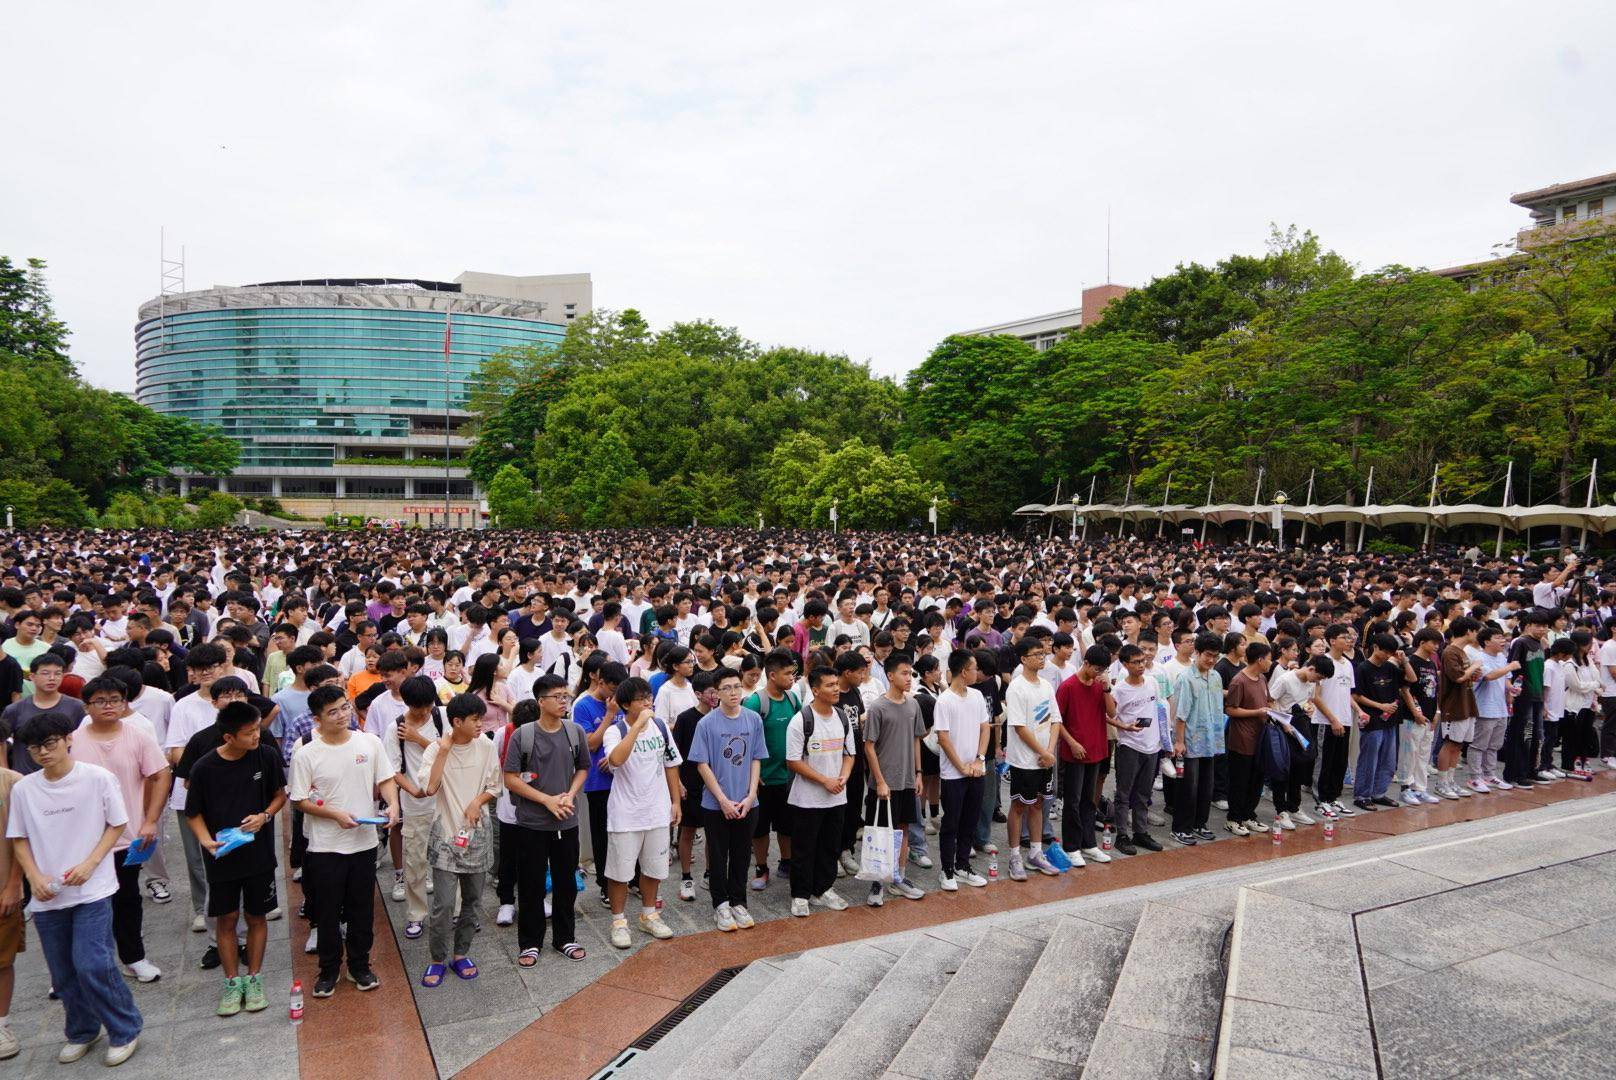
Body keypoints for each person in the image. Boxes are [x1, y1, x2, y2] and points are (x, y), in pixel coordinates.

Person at [6, 711, 143, 1067]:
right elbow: (18, 838)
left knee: (92, 962)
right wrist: (33, 877)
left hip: (92, 888)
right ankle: (82, 1030)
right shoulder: (24, 789)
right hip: (47, 893)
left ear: (68, 739)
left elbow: (117, 824)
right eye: (35, 746)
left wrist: (90, 863)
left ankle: (125, 1028)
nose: (43, 752)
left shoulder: (97, 778)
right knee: (63, 971)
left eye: (50, 743)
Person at [288, 684, 399, 998]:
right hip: (325, 846)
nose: (341, 715)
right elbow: (299, 800)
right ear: (317, 719)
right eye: (332, 712)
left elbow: (386, 779)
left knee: (362, 910)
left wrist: (393, 804)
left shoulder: (369, 742)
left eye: (344, 707)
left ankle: (360, 966)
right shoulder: (307, 752)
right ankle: (328, 970)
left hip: (363, 843)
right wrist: (335, 815)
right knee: (326, 911)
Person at [183, 701, 286, 1016]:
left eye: (257, 728)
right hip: (222, 857)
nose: (257, 735)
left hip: (258, 855)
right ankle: (231, 983)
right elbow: (193, 813)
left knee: (257, 917)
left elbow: (280, 795)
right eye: (249, 732)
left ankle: (254, 978)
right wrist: (205, 841)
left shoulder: (265, 755)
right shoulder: (204, 768)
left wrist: (265, 816)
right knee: (225, 919)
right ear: (228, 737)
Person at [68, 676, 172, 984]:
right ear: (87, 706)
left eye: (115, 699)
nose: (109, 705)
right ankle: (83, 965)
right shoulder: (73, 740)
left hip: (128, 836)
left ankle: (133, 958)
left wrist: (150, 820)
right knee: (87, 903)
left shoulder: (138, 736)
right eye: (100, 700)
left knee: (127, 897)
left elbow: (160, 776)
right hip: (84, 840)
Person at [416, 692, 503, 986]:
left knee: (473, 900)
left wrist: (478, 801)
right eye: (475, 719)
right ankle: (437, 959)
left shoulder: (486, 746)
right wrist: (442, 751)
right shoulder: (435, 750)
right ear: (456, 722)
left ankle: (461, 953)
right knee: (441, 904)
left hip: (476, 834)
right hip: (445, 835)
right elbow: (429, 788)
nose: (481, 724)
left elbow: (496, 785)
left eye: (482, 718)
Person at [502, 675, 589, 966]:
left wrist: (570, 795)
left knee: (566, 882)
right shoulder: (523, 735)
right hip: (531, 823)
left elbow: (582, 769)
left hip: (567, 819)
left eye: (567, 696)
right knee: (530, 884)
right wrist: (547, 800)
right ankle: (530, 942)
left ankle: (565, 937)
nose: (564, 701)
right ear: (542, 701)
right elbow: (511, 779)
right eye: (558, 697)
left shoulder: (574, 732)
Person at [600, 677, 680, 948]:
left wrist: (675, 802)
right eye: (641, 699)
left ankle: (649, 914)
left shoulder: (660, 728)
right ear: (625, 704)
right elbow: (616, 760)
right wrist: (636, 726)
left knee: (654, 868)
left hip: (657, 811)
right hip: (626, 813)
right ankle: (619, 921)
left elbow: (671, 763)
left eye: (649, 697)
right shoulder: (616, 731)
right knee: (620, 871)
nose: (648, 702)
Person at [689, 667, 766, 930]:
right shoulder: (706, 724)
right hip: (715, 804)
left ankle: (738, 901)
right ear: (716, 693)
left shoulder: (753, 719)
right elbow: (702, 764)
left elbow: (756, 758)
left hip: (747, 802)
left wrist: (752, 794)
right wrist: (722, 799)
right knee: (719, 854)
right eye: (727, 688)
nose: (733, 692)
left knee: (743, 854)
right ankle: (720, 905)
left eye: (736, 686)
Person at [785, 666, 856, 914]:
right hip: (807, 799)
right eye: (829, 685)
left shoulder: (842, 717)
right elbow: (793, 761)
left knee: (830, 846)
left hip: (837, 797)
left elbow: (849, 754)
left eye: (836, 683)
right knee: (804, 848)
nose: (836, 688)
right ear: (815, 690)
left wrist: (843, 777)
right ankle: (800, 895)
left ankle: (822, 889)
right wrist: (824, 780)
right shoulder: (801, 721)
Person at [860, 652, 927, 904]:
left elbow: (916, 739)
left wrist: (918, 773)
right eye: (904, 673)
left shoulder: (913, 705)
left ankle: (898, 877)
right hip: (883, 782)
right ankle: (877, 882)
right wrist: (879, 781)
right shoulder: (878, 707)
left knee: (903, 828)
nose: (909, 678)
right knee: (880, 831)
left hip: (907, 779)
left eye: (910, 673)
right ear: (890, 676)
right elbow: (869, 747)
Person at [385, 675, 445, 941]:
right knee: (415, 862)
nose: (424, 711)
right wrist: (414, 792)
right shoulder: (395, 727)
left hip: (445, 802)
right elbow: (393, 770)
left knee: (449, 859)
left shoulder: (442, 717)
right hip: (415, 804)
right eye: (419, 707)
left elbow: (449, 751)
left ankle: (451, 911)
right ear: (407, 703)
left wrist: (417, 738)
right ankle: (416, 915)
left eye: (428, 705)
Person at [1004, 636, 1063, 875]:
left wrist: (1049, 751)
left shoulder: (1046, 686)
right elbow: (1019, 727)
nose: (1042, 657)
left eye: (1043, 653)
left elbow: (1055, 720)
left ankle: (1036, 853)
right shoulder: (1017, 687)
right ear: (1023, 659)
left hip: (1045, 758)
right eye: (1037, 654)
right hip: (1024, 760)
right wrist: (1042, 752)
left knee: (1039, 803)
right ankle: (1015, 856)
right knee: (1019, 805)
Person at [743, 648, 799, 891]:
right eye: (787, 674)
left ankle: (786, 862)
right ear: (773, 675)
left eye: (794, 673)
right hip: (764, 779)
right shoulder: (756, 702)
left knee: (787, 825)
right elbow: (744, 741)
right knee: (760, 828)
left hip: (789, 778)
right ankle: (761, 867)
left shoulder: (793, 699)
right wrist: (751, 777)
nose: (792, 678)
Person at [1110, 644, 1165, 854]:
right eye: (1136, 662)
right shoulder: (1120, 690)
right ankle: (1122, 835)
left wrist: (1163, 741)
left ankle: (1140, 832)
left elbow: (1159, 708)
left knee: (1143, 793)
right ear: (1125, 664)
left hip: (1152, 746)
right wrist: (1125, 727)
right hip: (1130, 746)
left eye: (1143, 661)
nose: (1142, 665)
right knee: (1124, 793)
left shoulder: (1151, 682)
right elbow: (1108, 715)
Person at [1170, 634, 1225, 845]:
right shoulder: (1186, 678)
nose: (1211, 660)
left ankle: (1200, 824)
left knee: (1206, 786)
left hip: (1211, 741)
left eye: (1215, 656)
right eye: (1208, 655)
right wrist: (1179, 741)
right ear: (1197, 653)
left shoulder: (1216, 677)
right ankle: (1181, 828)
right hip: (1191, 742)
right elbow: (1181, 715)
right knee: (1188, 788)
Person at [0, 651, 84, 775]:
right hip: (25, 776)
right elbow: (1, 740)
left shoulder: (76, 707)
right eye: (45, 673)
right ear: (32, 676)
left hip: (66, 775)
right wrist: (6, 770)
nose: (52, 678)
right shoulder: (15, 709)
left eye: (58, 673)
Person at [1352, 634, 1407, 812]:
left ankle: (1379, 793)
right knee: (1369, 759)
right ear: (1375, 647)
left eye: (1391, 653)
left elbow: (1410, 681)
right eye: (1385, 652)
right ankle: (1362, 795)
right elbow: (1356, 695)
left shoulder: (1390, 667)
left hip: (1391, 719)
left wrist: (1404, 662)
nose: (1387, 656)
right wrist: (1380, 706)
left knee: (1388, 760)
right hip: (1373, 720)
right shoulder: (1363, 668)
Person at [1223, 639, 1273, 833]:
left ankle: (1248, 814)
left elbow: (1266, 702)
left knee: (1256, 780)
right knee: (1239, 781)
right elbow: (1230, 710)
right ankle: (1233, 818)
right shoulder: (1239, 681)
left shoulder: (1262, 679)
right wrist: (1256, 712)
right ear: (1260, 660)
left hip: (1260, 738)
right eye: (1269, 659)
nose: (1270, 662)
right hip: (1242, 740)